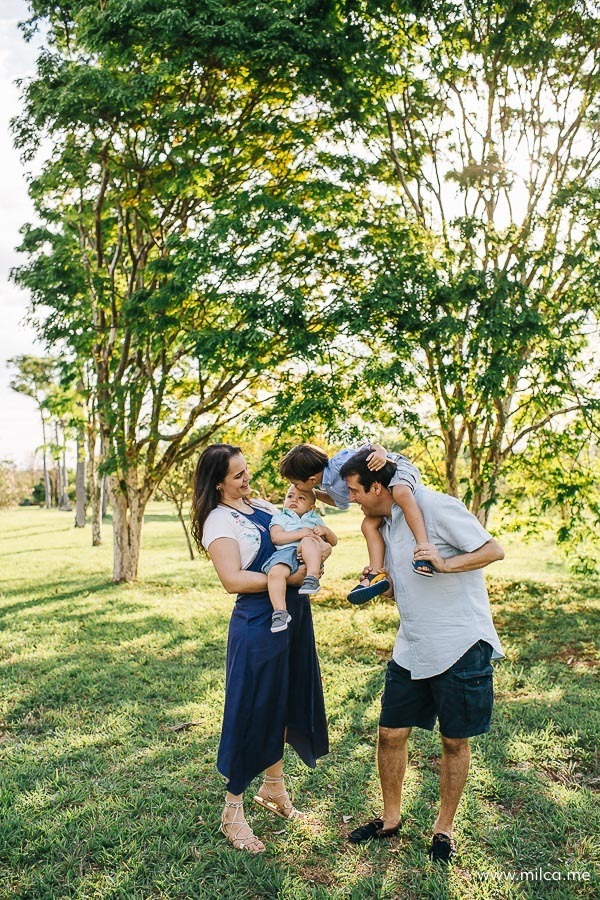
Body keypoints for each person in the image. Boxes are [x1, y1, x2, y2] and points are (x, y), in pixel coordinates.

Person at [338, 447, 505, 863]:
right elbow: (405, 583)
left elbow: (492, 550)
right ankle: (390, 818)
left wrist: (446, 565)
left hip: (460, 643)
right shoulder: (388, 520)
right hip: (412, 645)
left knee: (453, 742)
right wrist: (381, 582)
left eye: (356, 491)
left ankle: (443, 829)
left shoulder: (436, 506)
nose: (352, 499)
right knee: (390, 734)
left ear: (378, 486)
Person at [191, 444, 330, 854]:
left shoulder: (264, 506)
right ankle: (232, 811)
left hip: (294, 618)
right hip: (258, 621)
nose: (247, 479)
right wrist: (291, 578)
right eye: (237, 476)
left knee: (285, 703)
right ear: (218, 482)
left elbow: (304, 530)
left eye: (246, 471)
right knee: (254, 708)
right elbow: (233, 579)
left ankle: (274, 789)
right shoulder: (219, 520)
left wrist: (315, 555)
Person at [279, 443, 434, 604]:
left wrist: (380, 452)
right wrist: (314, 494)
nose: (295, 487)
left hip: (396, 468)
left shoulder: (340, 462)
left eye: (296, 484)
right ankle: (375, 573)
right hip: (380, 493)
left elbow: (367, 448)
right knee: (368, 525)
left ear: (311, 480)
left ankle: (424, 550)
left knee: (401, 492)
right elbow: (341, 502)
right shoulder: (329, 486)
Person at [262, 484, 338, 633]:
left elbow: (333, 542)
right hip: (285, 552)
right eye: (290, 496)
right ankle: (280, 612)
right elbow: (276, 537)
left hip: (308, 551)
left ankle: (311, 578)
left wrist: (325, 531)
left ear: (311, 508)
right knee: (274, 572)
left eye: (301, 498)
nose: (294, 500)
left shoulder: (315, 519)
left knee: (309, 541)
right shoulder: (280, 516)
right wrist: (300, 533)